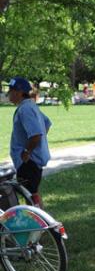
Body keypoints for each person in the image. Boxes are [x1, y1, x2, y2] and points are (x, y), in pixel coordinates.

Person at [7, 77, 52, 208]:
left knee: (31, 196)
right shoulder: (29, 106)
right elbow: (46, 123)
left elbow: (36, 134)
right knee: (33, 194)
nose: (8, 94)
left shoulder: (25, 109)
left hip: (29, 162)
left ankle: (40, 225)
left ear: (19, 92)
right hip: (31, 161)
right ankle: (41, 224)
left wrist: (27, 151)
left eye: (11, 91)